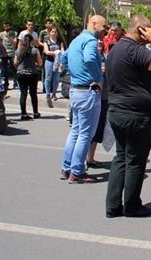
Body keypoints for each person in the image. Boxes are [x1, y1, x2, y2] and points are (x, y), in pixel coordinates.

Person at [105, 14, 151, 218]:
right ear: (140, 29)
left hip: (117, 112)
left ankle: (113, 206)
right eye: (149, 28)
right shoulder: (135, 50)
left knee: (121, 158)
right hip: (135, 115)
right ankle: (132, 206)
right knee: (135, 161)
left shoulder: (116, 49)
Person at [60, 15, 106, 184]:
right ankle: (77, 171)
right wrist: (98, 78)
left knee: (75, 132)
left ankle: (66, 168)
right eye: (103, 26)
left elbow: (63, 58)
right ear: (94, 24)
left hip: (75, 90)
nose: (105, 30)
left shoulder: (76, 40)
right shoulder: (90, 41)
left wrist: (75, 72)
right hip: (87, 91)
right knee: (85, 134)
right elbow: (89, 58)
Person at [86, 39, 108, 169]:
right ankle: (82, 159)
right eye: (97, 43)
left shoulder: (105, 58)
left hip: (104, 97)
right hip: (92, 95)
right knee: (87, 129)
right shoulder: (89, 58)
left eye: (101, 43)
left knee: (98, 130)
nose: (99, 44)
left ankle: (91, 158)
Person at [14, 34, 42, 120]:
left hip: (21, 74)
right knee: (33, 94)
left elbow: (15, 63)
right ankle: (35, 112)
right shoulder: (35, 50)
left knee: (23, 93)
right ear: (32, 41)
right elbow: (40, 63)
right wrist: (34, 64)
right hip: (32, 74)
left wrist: (20, 67)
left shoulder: (19, 50)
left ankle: (23, 113)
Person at [43, 27, 65, 107]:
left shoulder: (60, 42)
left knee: (56, 78)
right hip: (49, 61)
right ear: (50, 33)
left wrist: (60, 53)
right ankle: (48, 94)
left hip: (58, 62)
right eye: (52, 32)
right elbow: (47, 52)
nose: (54, 33)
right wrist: (56, 52)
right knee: (48, 78)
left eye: (55, 32)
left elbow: (62, 50)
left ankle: (54, 93)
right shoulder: (47, 41)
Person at [0, 22, 18, 89]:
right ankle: (6, 83)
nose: (6, 27)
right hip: (4, 53)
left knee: (14, 67)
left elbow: (15, 43)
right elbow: (0, 43)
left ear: (10, 26)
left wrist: (9, 37)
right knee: (4, 69)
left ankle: (16, 82)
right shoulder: (1, 34)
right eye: (5, 26)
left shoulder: (14, 33)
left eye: (7, 26)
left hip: (12, 52)